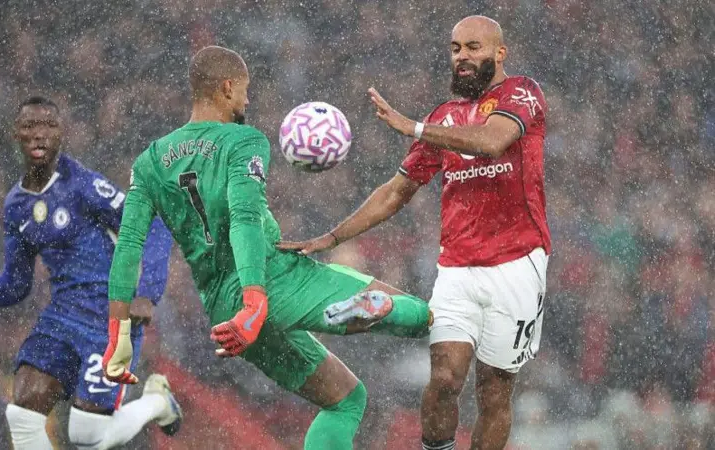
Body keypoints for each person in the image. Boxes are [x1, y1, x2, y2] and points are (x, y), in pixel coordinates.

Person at [101, 45, 432, 450]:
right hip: (272, 280)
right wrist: (255, 299)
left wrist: (117, 330)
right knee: (424, 319)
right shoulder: (243, 141)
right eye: (244, 90)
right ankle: (378, 306)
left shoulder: (149, 162)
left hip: (225, 312)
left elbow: (129, 245)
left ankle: (363, 309)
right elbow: (244, 218)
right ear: (226, 88)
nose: (247, 99)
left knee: (345, 399)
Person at [281, 16, 550, 450]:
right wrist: (332, 238)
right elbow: (395, 192)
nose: (462, 56)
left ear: (499, 53)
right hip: (457, 268)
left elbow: (495, 140)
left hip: (518, 264)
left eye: (474, 47)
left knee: (494, 390)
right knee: (444, 379)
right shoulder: (444, 117)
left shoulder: (522, 92)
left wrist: (415, 128)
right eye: (456, 48)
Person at [0, 96, 182, 450]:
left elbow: (153, 224)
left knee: (86, 434)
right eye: (30, 125)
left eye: (49, 125)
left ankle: (158, 402)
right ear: (15, 133)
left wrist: (146, 293)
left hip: (108, 316)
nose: (39, 134)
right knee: (23, 409)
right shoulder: (16, 205)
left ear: (61, 134)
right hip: (62, 317)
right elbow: (17, 284)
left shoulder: (82, 185)